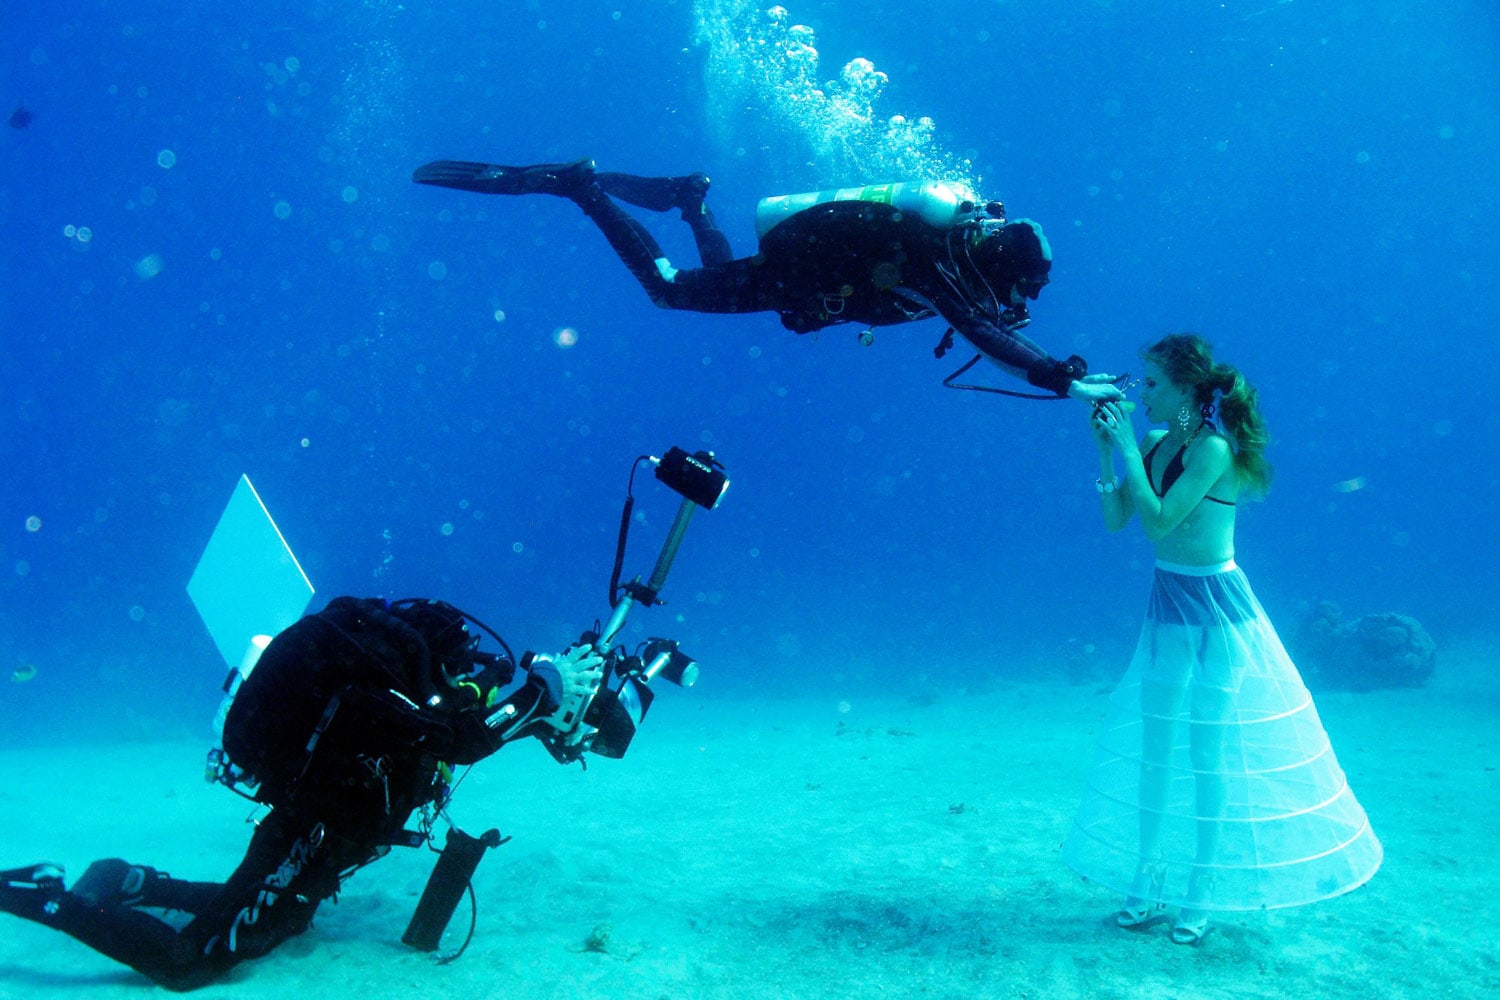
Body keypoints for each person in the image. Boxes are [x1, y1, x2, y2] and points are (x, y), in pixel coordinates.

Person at [0, 596, 603, 990]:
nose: (461, 685)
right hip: (307, 820)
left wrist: (548, 705)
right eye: (454, 676)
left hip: (327, 826)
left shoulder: (413, 692)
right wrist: (537, 693)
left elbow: (462, 723)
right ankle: (48, 895)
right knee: (193, 960)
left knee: (284, 918)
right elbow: (462, 739)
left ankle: (133, 882)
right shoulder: (386, 691)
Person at [1061, 334, 1381, 944]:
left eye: (1152, 383)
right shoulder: (1154, 443)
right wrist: (1107, 452)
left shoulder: (1212, 451)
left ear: (1185, 388)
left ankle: (1199, 889)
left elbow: (1159, 521)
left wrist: (1127, 446)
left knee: (1206, 753)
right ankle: (1148, 880)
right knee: (1157, 747)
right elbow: (1117, 521)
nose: (1142, 393)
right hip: (1168, 607)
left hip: (1217, 610)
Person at [411, 158, 1125, 404]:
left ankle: (690, 197)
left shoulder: (952, 257)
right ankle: (580, 187)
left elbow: (983, 321)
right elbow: (979, 329)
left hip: (803, 280)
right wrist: (1058, 377)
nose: (1015, 306)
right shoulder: (934, 260)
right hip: (796, 272)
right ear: (995, 266)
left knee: (716, 276)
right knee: (670, 289)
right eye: (1017, 291)